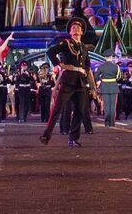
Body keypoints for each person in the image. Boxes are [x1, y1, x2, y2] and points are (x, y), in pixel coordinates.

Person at [40, 18, 99, 147]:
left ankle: (73, 139)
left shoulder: (84, 47)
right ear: (70, 32)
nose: (75, 29)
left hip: (80, 83)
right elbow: (50, 52)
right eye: (73, 28)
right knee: (57, 109)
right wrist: (58, 65)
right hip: (68, 81)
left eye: (78, 28)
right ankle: (46, 135)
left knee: (79, 111)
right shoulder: (66, 44)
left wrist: (91, 83)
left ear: (82, 32)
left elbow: (87, 64)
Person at [97, 58, 121, 127]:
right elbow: (119, 77)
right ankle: (112, 123)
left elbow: (96, 76)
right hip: (113, 86)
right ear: (111, 57)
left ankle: (106, 123)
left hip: (104, 87)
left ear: (105, 57)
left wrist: (100, 80)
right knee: (113, 106)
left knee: (106, 106)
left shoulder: (101, 66)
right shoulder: (116, 66)